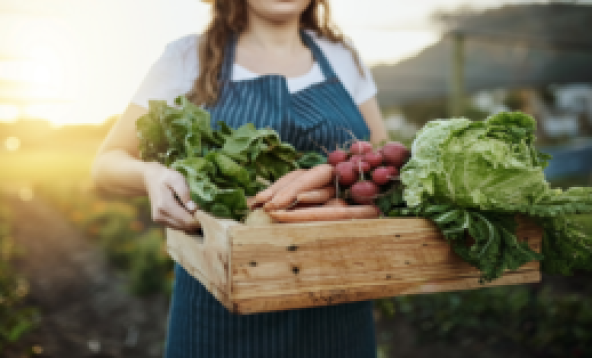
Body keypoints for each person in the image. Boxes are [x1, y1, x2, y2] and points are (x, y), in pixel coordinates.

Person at [92, 0, 389, 357]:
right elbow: (106, 163)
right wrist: (152, 174)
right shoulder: (188, 56)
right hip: (220, 304)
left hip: (337, 300)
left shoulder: (341, 55)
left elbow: (379, 158)